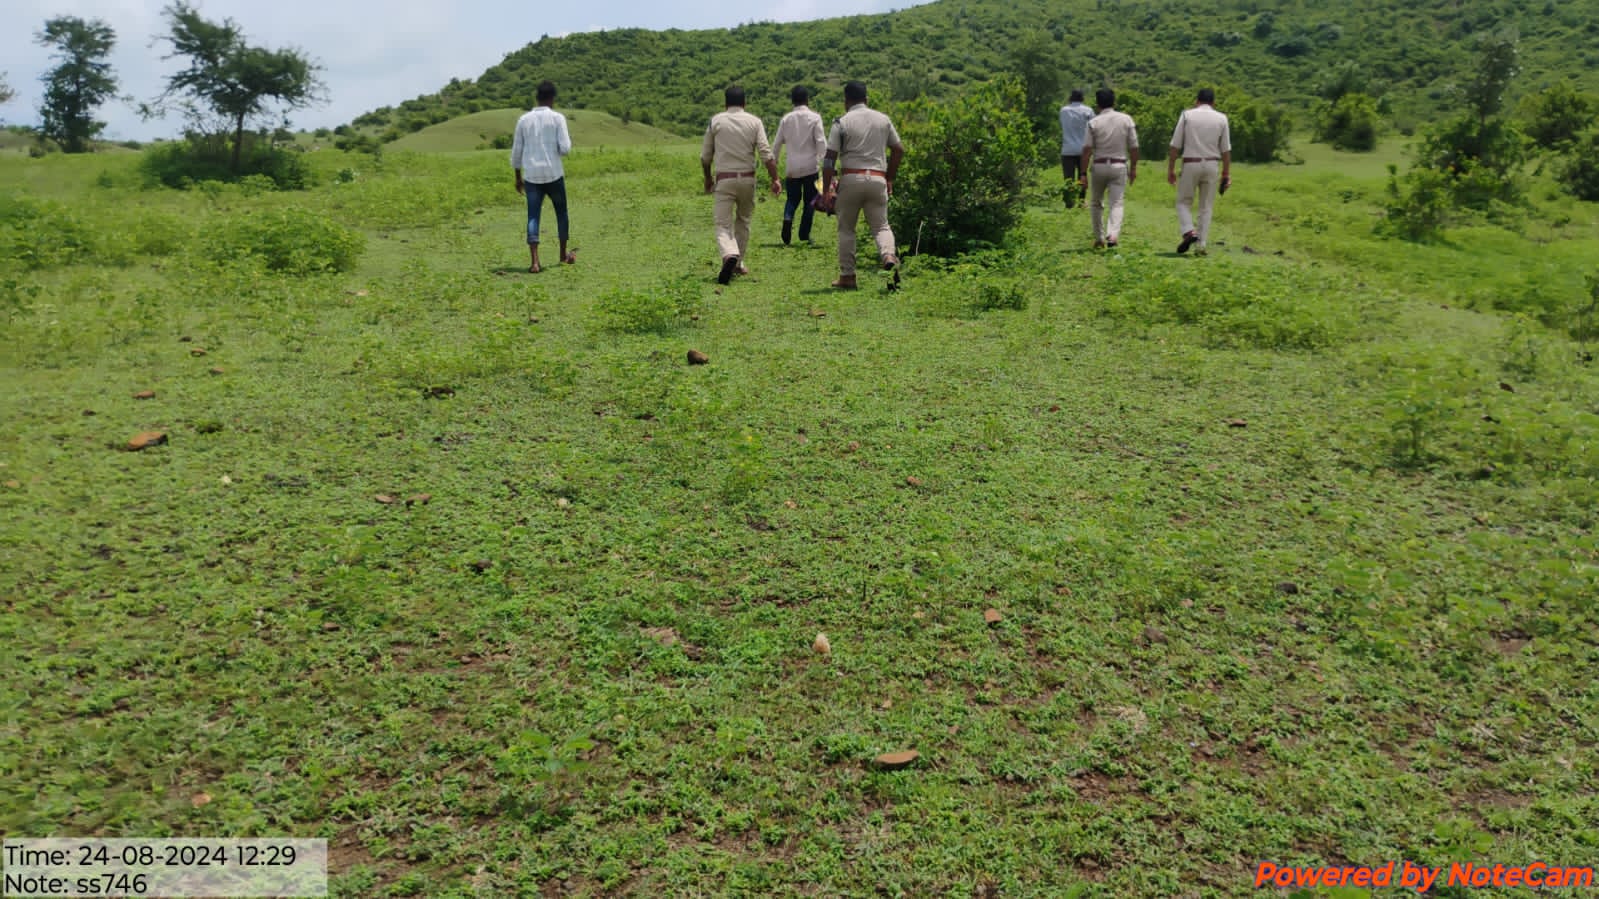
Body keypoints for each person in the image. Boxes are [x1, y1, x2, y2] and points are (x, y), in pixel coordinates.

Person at [819, 81, 904, 290]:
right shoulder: (883, 120)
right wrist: (889, 178)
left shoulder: (841, 122)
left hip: (851, 179)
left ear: (846, 101)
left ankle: (848, 276)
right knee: (881, 225)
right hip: (877, 179)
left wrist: (826, 190)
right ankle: (889, 256)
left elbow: (829, 158)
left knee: (847, 228)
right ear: (867, 99)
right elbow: (898, 149)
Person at [700, 85, 781, 285]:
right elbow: (766, 155)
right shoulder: (754, 122)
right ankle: (738, 262)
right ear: (744, 103)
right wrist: (775, 179)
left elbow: (705, 156)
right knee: (743, 220)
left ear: (725, 104)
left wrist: (708, 178)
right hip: (747, 178)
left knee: (722, 223)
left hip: (724, 179)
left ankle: (729, 255)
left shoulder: (716, 121)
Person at [511, 80, 574, 273]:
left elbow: (517, 151)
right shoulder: (557, 118)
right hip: (554, 173)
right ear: (552, 98)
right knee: (561, 213)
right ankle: (562, 255)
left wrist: (518, 177)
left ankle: (535, 262)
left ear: (537, 98)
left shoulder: (523, 120)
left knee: (533, 216)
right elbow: (565, 149)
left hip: (532, 176)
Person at [1166, 87, 1232, 255]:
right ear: (1213, 103)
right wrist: (1226, 173)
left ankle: (1189, 230)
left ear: (1197, 101)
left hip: (1190, 163)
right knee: (1206, 207)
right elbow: (1225, 150)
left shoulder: (1187, 115)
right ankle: (1201, 245)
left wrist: (1171, 168)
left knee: (1183, 202)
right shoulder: (1221, 118)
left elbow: (1175, 145)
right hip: (1212, 164)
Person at [1079, 87, 1139, 249]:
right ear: (1114, 102)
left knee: (1096, 203)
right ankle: (1113, 234)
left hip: (1098, 165)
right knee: (1117, 203)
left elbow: (1086, 150)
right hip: (1119, 165)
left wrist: (1083, 173)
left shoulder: (1093, 122)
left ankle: (1099, 238)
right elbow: (1134, 147)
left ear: (1097, 104)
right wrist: (1133, 168)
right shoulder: (1126, 119)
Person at [773, 85, 826, 246]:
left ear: (792, 100)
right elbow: (821, 143)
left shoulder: (786, 119)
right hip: (811, 167)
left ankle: (788, 218)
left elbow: (776, 145)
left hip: (792, 168)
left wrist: (773, 163)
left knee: (792, 199)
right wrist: (826, 165)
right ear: (807, 100)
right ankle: (804, 233)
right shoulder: (815, 118)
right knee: (810, 201)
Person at [1058, 89, 1094, 208]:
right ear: (1082, 99)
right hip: (1083, 149)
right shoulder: (1088, 111)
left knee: (1068, 178)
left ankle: (1069, 202)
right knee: (1082, 175)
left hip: (1067, 148)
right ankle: (1081, 201)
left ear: (1070, 98)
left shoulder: (1064, 110)